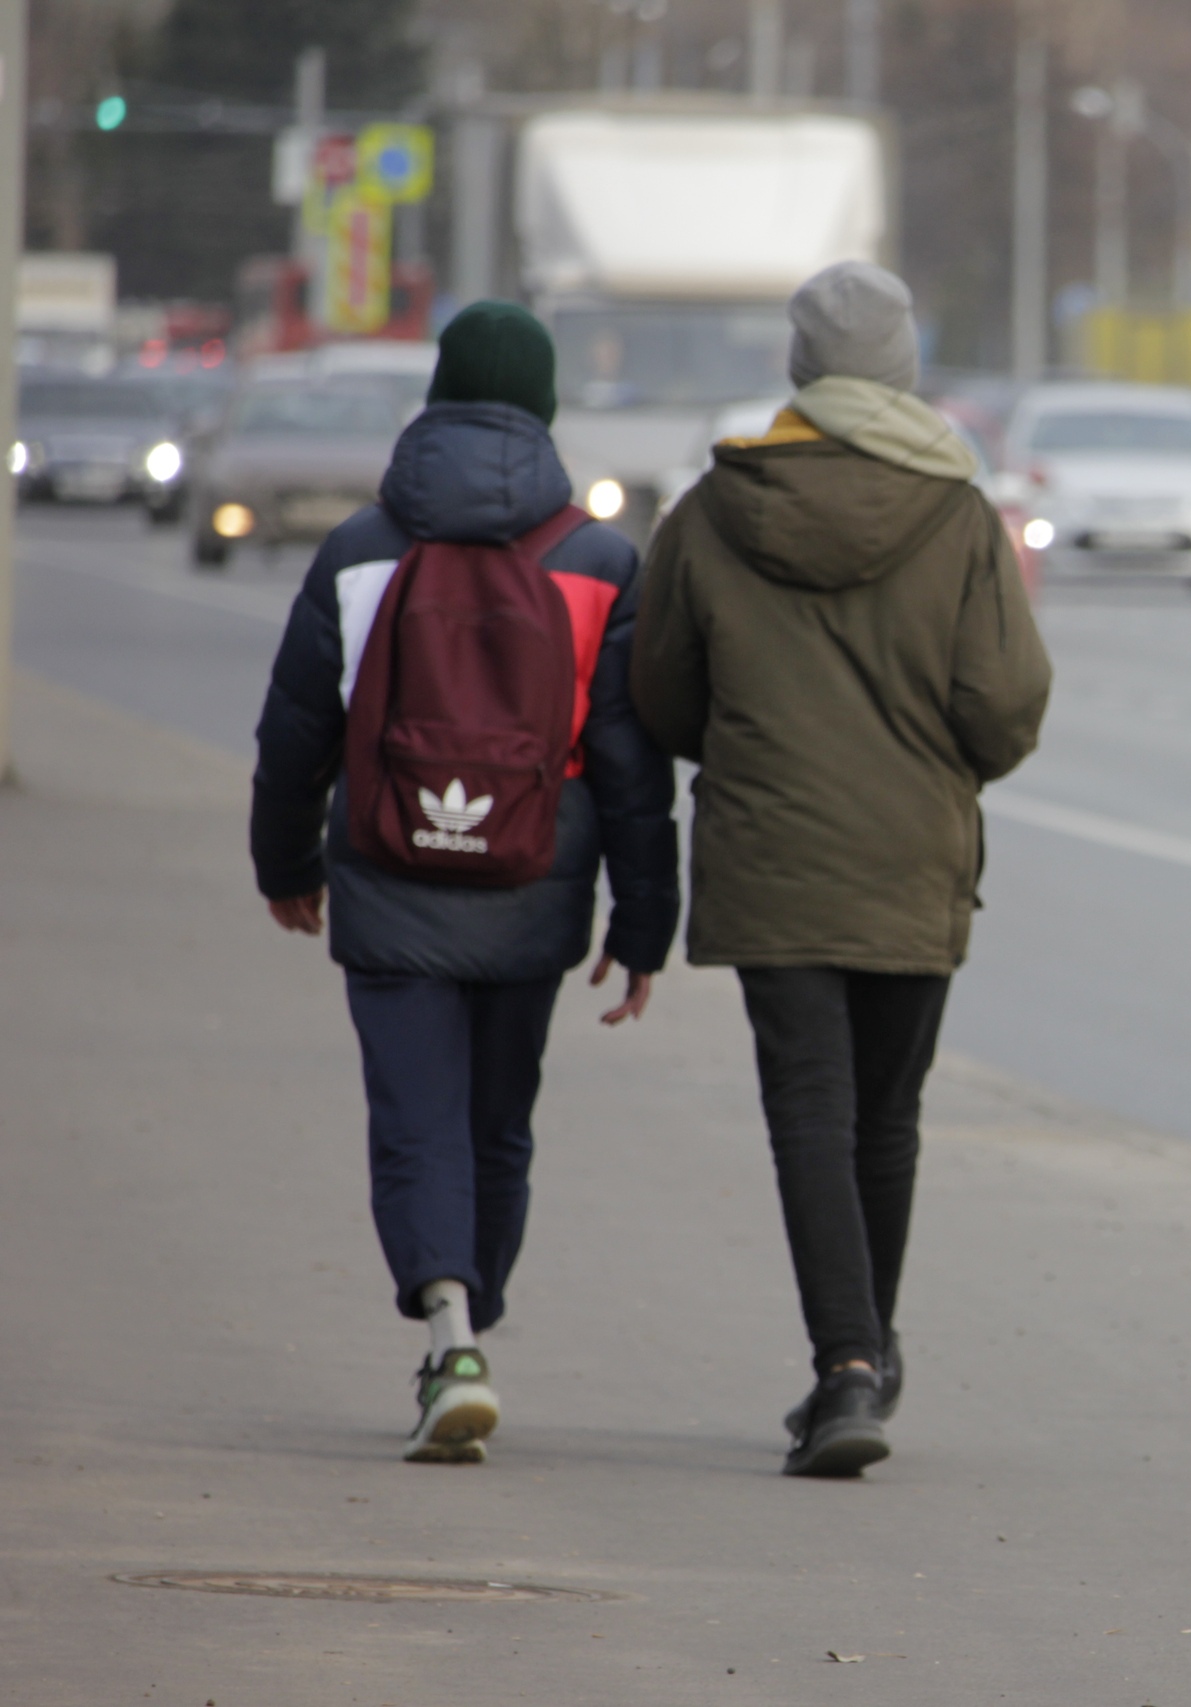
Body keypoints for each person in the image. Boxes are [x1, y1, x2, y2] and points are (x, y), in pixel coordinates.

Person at [631, 261, 1050, 1478]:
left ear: (802, 368)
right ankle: (865, 1355)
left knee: (810, 1112)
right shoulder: (961, 515)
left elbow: (660, 695)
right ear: (907, 365)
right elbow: (1005, 708)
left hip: (774, 855)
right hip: (914, 853)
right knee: (887, 1116)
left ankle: (847, 1366)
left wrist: (760, 741)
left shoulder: (716, 507)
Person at [250, 302, 679, 1463]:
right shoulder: (595, 559)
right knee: (498, 1126)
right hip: (536, 885)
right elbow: (632, 767)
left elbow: (295, 732)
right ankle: (466, 1334)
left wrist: (284, 864)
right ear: (543, 407)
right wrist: (644, 923)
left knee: (414, 1122)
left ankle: (450, 1339)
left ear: (437, 395)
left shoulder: (361, 550)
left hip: (386, 876)